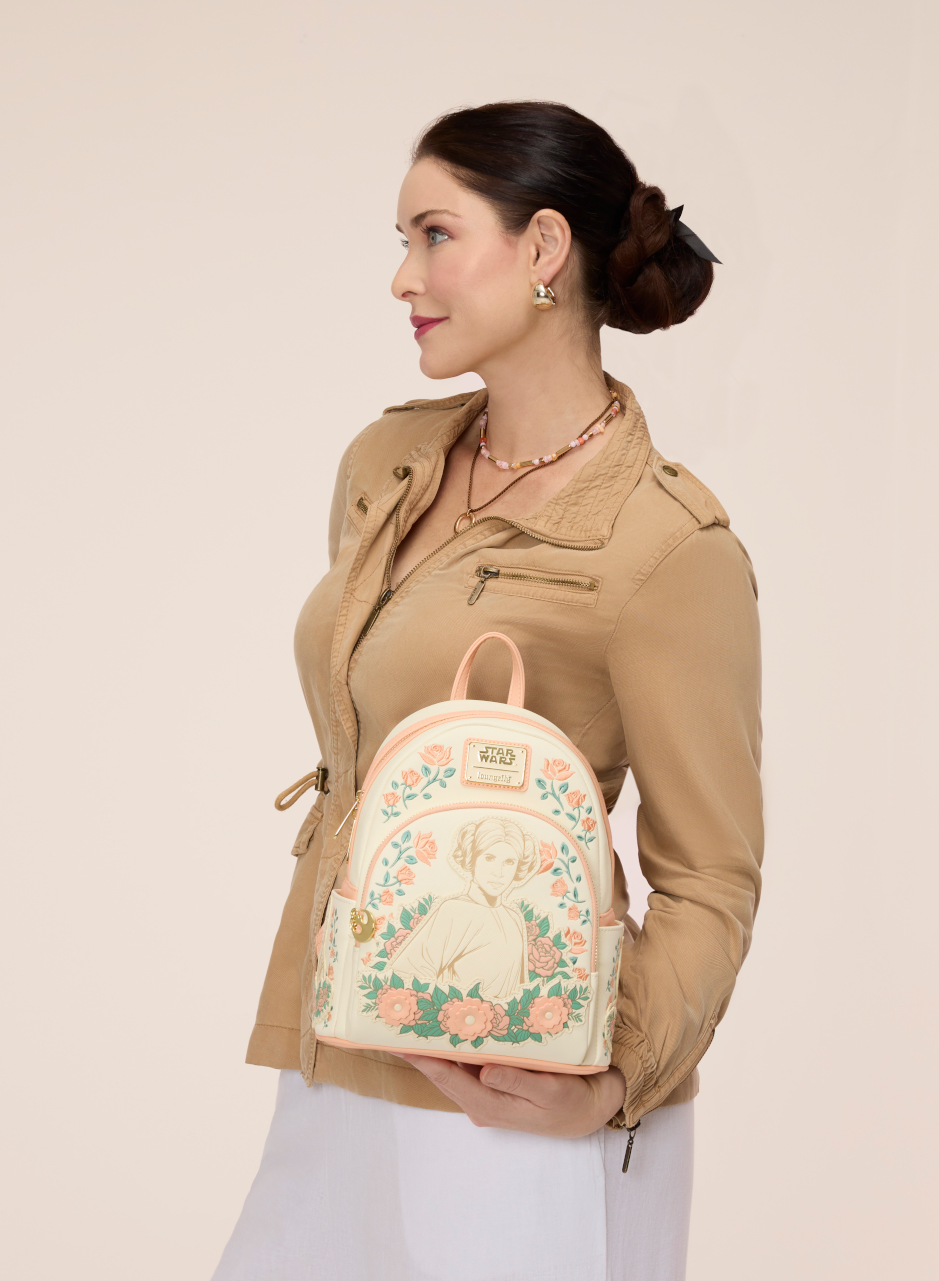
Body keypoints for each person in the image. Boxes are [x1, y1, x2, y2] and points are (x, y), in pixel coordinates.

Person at [215, 101, 764, 1281]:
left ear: (545, 250)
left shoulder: (668, 546)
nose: (402, 276)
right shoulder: (388, 467)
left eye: (433, 235)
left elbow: (711, 874)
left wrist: (614, 1080)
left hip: (520, 1083)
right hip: (340, 1035)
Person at [386, 818, 538, 1002]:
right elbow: (407, 974)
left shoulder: (513, 917)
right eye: (489, 858)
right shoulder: (453, 910)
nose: (498, 872)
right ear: (471, 859)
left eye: (509, 862)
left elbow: (520, 992)